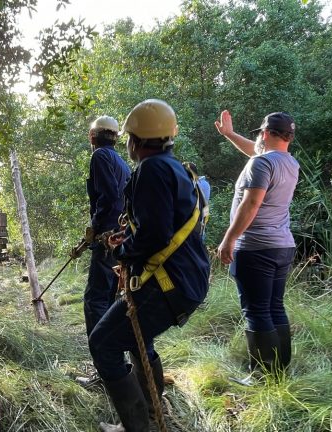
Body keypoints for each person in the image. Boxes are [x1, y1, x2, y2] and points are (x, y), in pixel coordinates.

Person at [91, 99, 210, 431]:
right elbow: (160, 228)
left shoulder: (151, 169)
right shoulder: (174, 167)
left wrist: (123, 253)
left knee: (103, 343)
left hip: (170, 284)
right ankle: (153, 412)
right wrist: (129, 243)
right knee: (136, 338)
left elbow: (155, 235)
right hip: (184, 280)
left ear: (137, 140)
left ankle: (139, 425)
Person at [214, 110, 299, 379]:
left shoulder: (260, 164)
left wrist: (230, 238)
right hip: (282, 246)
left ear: (264, 133)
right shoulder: (288, 162)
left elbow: (251, 204)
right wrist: (229, 134)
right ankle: (279, 372)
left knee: (257, 311)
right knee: (275, 306)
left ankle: (261, 375)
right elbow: (257, 152)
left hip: (255, 247)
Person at [83, 115, 131, 337]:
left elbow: (109, 196)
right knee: (111, 297)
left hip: (107, 237)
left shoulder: (99, 156)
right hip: (121, 236)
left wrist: (96, 226)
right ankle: (113, 356)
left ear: (92, 136)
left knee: (95, 299)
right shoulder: (121, 162)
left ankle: (101, 355)